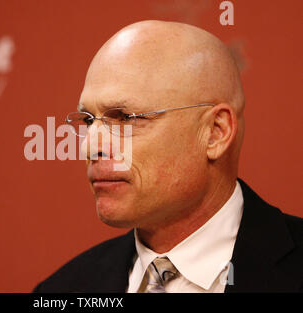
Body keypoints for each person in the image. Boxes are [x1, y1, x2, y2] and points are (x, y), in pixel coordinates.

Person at [33, 20, 303, 293]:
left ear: (215, 133)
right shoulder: (61, 290)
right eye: (88, 121)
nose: (90, 147)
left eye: (125, 118)